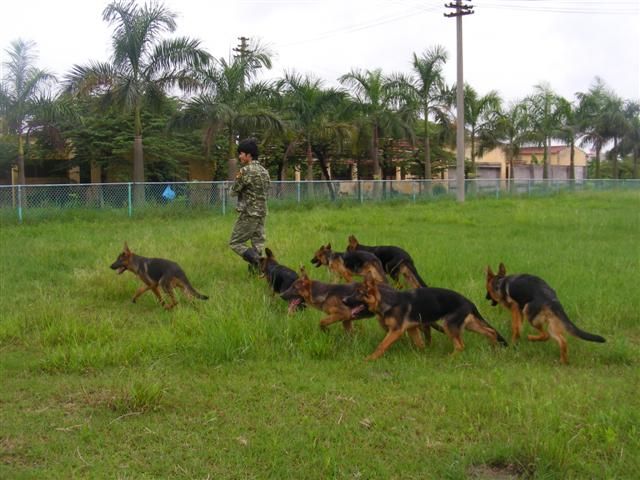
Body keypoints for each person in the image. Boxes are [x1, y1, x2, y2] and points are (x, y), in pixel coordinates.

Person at [228, 138, 271, 272]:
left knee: (235, 242)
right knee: (258, 243)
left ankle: (258, 262)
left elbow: (233, 192)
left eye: (241, 153)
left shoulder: (246, 171)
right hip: (262, 212)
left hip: (249, 213)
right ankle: (256, 273)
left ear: (249, 155)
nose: (240, 156)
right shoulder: (264, 171)